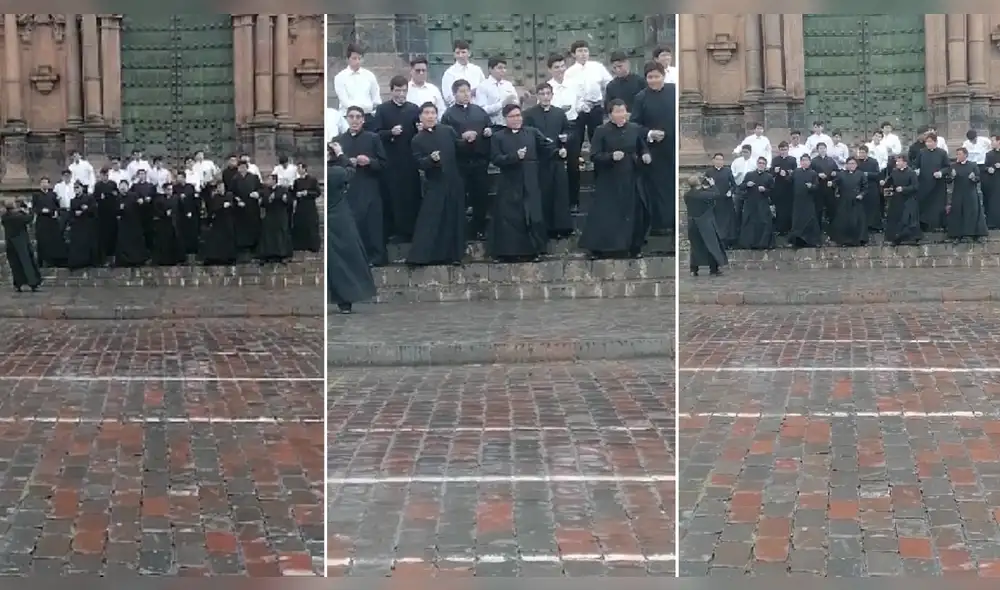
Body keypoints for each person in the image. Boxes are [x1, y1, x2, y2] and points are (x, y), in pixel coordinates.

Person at [578, 99, 650, 259]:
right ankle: (599, 248)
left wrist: (645, 155)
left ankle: (632, 246)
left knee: (631, 212)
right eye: (616, 111)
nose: (621, 115)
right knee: (606, 213)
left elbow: (641, 146)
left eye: (623, 111)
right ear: (610, 115)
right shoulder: (601, 131)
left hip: (630, 176)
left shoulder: (634, 129)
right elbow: (594, 155)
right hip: (609, 178)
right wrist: (611, 156)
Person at [488, 103, 559, 262]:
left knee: (532, 214)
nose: (516, 119)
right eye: (512, 116)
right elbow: (495, 159)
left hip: (530, 179)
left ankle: (535, 250)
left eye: (519, 115)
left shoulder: (532, 132)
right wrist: (514, 157)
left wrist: (558, 150)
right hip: (509, 181)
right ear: (505, 118)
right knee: (509, 217)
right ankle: (507, 252)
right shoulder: (498, 137)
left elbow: (546, 147)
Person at [408, 102, 468, 266]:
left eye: (433, 113)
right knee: (431, 219)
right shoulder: (417, 139)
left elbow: (458, 147)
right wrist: (430, 160)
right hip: (435, 183)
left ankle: (454, 255)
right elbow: (419, 162)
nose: (430, 116)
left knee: (453, 218)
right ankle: (424, 256)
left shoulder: (447, 130)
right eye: (426, 113)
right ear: (421, 117)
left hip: (453, 180)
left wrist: (468, 140)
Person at [332, 106, 388, 266]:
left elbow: (384, 164)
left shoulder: (373, 138)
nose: (355, 120)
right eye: (351, 117)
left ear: (363, 119)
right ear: (346, 119)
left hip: (369, 185)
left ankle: (377, 256)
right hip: (349, 188)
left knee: (372, 223)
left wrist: (369, 161)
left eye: (358, 117)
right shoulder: (339, 141)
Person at [371, 75, 422, 243]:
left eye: (404, 90)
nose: (401, 93)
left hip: (409, 159)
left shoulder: (414, 109)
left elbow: (418, 133)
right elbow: (376, 133)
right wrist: (390, 133)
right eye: (398, 90)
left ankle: (410, 230)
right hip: (391, 159)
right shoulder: (383, 110)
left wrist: (420, 129)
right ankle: (393, 230)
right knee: (392, 195)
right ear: (391, 91)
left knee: (410, 195)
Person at [441, 79, 493, 239]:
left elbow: (488, 126)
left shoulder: (479, 111)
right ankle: (460, 229)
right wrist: (461, 138)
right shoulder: (449, 114)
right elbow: (445, 137)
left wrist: (488, 131)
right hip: (460, 162)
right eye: (462, 91)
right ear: (454, 94)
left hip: (479, 160)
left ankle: (480, 227)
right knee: (460, 196)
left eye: (467, 91)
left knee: (480, 195)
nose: (465, 94)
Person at [523, 83, 574, 239]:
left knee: (560, 193)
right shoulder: (530, 114)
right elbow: (527, 134)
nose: (545, 97)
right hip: (540, 160)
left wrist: (565, 141)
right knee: (544, 193)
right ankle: (545, 227)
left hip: (557, 158)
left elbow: (567, 130)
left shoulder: (559, 113)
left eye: (548, 93)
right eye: (542, 94)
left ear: (552, 95)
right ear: (537, 96)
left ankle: (561, 227)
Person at [631, 61, 676, 236]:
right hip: (653, 149)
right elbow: (635, 124)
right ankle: (660, 224)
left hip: (673, 147)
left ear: (663, 76)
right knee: (658, 187)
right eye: (650, 77)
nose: (653, 80)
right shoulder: (641, 97)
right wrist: (649, 133)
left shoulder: (673, 91)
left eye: (656, 76)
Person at [328, 157, 376, 314]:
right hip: (341, 221)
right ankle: (347, 298)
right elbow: (350, 171)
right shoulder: (335, 172)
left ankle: (341, 300)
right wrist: (342, 155)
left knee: (335, 263)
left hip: (333, 221)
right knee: (347, 260)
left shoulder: (331, 172)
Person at [545, 53, 584, 210]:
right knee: (555, 164)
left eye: (562, 66)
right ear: (550, 70)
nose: (560, 70)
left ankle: (574, 200)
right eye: (556, 67)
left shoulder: (573, 84)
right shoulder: (547, 88)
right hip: (554, 126)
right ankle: (557, 201)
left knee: (573, 164)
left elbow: (580, 101)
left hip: (572, 125)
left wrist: (580, 107)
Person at [565, 40, 612, 142]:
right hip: (579, 110)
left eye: (585, 51)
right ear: (574, 54)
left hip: (596, 107)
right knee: (577, 136)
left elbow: (609, 83)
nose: (583, 54)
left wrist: (605, 99)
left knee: (596, 136)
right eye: (580, 51)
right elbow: (569, 92)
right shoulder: (569, 72)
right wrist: (581, 104)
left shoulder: (597, 67)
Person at [684, 175, 726, 277]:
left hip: (693, 223)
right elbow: (716, 194)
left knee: (695, 247)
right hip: (705, 223)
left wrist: (704, 188)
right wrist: (713, 185)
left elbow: (700, 193)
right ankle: (714, 269)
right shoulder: (701, 195)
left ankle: (694, 269)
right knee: (711, 245)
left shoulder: (687, 195)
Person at [334, 43, 381, 128]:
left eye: (360, 58)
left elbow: (376, 98)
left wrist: (372, 111)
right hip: (348, 118)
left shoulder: (369, 75)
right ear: (348, 59)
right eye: (354, 58)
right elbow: (345, 102)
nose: (358, 61)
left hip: (368, 118)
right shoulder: (340, 77)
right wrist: (364, 108)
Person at [946, 147, 988, 242]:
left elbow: (978, 178)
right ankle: (957, 234)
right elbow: (948, 180)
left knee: (970, 213)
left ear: (965, 155)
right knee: (957, 213)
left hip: (970, 192)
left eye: (960, 154)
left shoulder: (972, 165)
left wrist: (973, 178)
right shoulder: (953, 166)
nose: (958, 156)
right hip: (958, 192)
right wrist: (952, 176)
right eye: (957, 154)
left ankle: (970, 234)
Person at [736, 156, 775, 249]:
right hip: (750, 202)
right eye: (759, 163)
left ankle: (762, 243)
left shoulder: (769, 177)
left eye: (763, 163)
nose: (761, 165)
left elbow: (773, 191)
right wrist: (747, 184)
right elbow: (741, 186)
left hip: (762, 203)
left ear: (765, 166)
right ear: (757, 164)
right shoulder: (749, 175)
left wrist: (765, 190)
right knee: (749, 222)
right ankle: (748, 243)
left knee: (763, 222)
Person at [2, 202, 41, 292]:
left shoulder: (5, 217)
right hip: (20, 241)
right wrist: (29, 210)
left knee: (15, 264)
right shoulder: (17, 217)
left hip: (10, 242)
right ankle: (32, 282)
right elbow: (29, 218)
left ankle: (18, 284)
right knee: (26, 262)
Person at [829, 157, 868, 246]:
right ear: (846, 165)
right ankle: (844, 240)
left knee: (857, 220)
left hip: (856, 200)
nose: (851, 165)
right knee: (843, 220)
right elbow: (836, 182)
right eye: (849, 164)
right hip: (844, 200)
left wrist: (861, 195)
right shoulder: (841, 174)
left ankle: (859, 239)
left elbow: (865, 187)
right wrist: (832, 184)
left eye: (853, 163)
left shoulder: (860, 174)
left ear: (856, 165)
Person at [883, 155, 921, 246]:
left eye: (899, 161)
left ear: (905, 162)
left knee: (907, 219)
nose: (897, 163)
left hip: (908, 200)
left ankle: (910, 239)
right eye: (897, 161)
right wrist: (884, 184)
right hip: (896, 199)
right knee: (895, 219)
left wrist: (904, 189)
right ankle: (895, 238)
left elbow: (915, 187)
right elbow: (889, 183)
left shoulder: (911, 173)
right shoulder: (894, 172)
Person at [915, 133, 950, 231]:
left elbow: (947, 167)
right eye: (927, 142)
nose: (928, 144)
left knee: (938, 205)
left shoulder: (942, 153)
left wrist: (941, 172)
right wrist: (916, 170)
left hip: (938, 184)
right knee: (925, 205)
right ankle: (925, 225)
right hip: (924, 183)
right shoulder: (922, 152)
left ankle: (938, 225)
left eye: (930, 142)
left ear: (935, 142)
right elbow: (916, 165)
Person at [257, 174, 294, 263]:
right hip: (270, 215)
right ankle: (269, 254)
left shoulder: (282, 189)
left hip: (280, 215)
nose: (267, 182)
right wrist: (269, 199)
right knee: (268, 235)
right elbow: (262, 203)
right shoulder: (265, 191)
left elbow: (289, 201)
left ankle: (282, 254)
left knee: (281, 234)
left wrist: (285, 199)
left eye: (269, 180)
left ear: (274, 181)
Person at [787, 154, 823, 248]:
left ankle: (812, 241)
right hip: (798, 201)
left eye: (806, 160)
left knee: (810, 219)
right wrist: (786, 175)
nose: (804, 162)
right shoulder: (796, 171)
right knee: (797, 221)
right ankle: (796, 241)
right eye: (803, 160)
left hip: (808, 200)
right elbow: (789, 182)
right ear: (800, 162)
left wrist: (811, 186)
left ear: (809, 162)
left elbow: (817, 187)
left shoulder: (813, 173)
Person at [475, 56, 520, 129]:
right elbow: (482, 110)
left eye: (504, 68)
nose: (503, 70)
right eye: (499, 68)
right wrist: (501, 104)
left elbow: (516, 103)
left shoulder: (508, 85)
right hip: (493, 126)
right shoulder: (483, 86)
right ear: (490, 69)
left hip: (510, 125)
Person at [31, 177, 66, 268]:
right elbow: (34, 208)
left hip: (51, 221)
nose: (44, 184)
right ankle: (41, 261)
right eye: (42, 182)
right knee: (42, 241)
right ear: (40, 184)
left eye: (46, 182)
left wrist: (56, 212)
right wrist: (41, 210)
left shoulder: (53, 195)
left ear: (49, 184)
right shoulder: (36, 195)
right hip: (42, 221)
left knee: (53, 240)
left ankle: (53, 260)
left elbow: (57, 206)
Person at [200, 181, 238, 265]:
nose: (221, 189)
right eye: (220, 187)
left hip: (228, 220)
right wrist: (222, 206)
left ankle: (230, 257)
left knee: (229, 238)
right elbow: (213, 208)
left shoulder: (229, 195)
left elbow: (233, 206)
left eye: (222, 187)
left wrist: (230, 205)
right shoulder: (216, 197)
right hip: (219, 221)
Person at [705, 153, 738, 247]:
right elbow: (704, 186)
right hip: (714, 202)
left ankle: (727, 242)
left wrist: (730, 192)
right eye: (717, 159)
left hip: (726, 201)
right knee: (716, 221)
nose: (719, 161)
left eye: (721, 160)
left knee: (727, 222)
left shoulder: (727, 171)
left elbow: (734, 185)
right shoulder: (709, 172)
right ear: (713, 160)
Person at [232, 160, 263, 259]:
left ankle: (254, 245)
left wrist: (257, 193)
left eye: (244, 167)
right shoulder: (235, 179)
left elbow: (261, 189)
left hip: (252, 205)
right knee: (241, 226)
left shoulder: (254, 177)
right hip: (240, 206)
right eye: (240, 167)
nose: (242, 169)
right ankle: (242, 245)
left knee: (253, 224)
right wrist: (237, 200)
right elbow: (232, 192)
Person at [114, 180, 150, 267]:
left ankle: (139, 260)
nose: (123, 189)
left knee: (137, 241)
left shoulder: (134, 195)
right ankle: (124, 261)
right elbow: (115, 212)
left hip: (134, 222)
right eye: (121, 187)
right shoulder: (117, 198)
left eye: (124, 186)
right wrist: (120, 209)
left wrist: (142, 203)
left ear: (128, 187)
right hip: (124, 224)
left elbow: (143, 207)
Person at [441, 39, 485, 107]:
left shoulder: (477, 70)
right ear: (454, 54)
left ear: (469, 53)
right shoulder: (449, 73)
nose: (460, 55)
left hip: (476, 107)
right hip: (458, 109)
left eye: (463, 52)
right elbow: (448, 97)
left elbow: (484, 89)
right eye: (458, 53)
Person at [66, 182, 100, 270]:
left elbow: (94, 209)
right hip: (78, 225)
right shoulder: (73, 200)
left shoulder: (89, 197)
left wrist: (86, 209)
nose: (76, 189)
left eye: (78, 187)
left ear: (82, 188)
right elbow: (71, 213)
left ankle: (91, 261)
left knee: (89, 243)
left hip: (88, 224)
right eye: (75, 188)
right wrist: (74, 216)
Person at [150, 183, 185, 266]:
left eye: (171, 189)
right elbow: (156, 210)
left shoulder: (176, 198)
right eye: (168, 189)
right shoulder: (159, 199)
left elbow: (181, 209)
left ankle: (177, 259)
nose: (170, 191)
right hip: (164, 224)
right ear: (164, 190)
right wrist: (164, 213)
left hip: (174, 223)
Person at [291, 163, 322, 252]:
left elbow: (317, 192)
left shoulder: (312, 180)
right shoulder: (297, 181)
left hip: (309, 205)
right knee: (300, 224)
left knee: (311, 225)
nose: (298, 170)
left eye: (300, 168)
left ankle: (312, 245)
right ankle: (300, 244)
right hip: (300, 206)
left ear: (304, 169)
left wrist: (307, 193)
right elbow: (294, 193)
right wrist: (295, 194)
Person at [769, 142, 797, 234]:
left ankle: (789, 228)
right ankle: (780, 229)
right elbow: (771, 174)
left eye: (785, 149)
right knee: (779, 209)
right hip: (778, 187)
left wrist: (788, 173)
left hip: (789, 187)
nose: (783, 151)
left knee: (789, 208)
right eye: (781, 149)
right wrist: (775, 171)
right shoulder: (775, 160)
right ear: (779, 150)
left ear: (788, 149)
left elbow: (795, 173)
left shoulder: (792, 160)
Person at [93, 168, 119, 264]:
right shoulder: (98, 185)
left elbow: (117, 195)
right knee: (103, 235)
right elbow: (95, 198)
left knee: (113, 234)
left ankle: (112, 256)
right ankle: (103, 257)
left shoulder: (113, 184)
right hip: (102, 214)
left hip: (112, 213)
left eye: (106, 175)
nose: (104, 177)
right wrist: (100, 197)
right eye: (103, 175)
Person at [855, 144, 883, 232]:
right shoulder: (857, 162)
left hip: (872, 187)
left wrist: (867, 174)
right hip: (861, 187)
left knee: (873, 207)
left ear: (867, 153)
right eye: (860, 152)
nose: (861, 154)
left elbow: (878, 174)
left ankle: (874, 226)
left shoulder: (873, 162)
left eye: (863, 153)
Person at [809, 142, 838, 226]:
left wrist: (834, 175)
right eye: (820, 148)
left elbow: (837, 172)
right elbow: (810, 173)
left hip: (829, 187)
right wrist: (818, 175)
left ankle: (832, 225)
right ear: (817, 150)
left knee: (831, 207)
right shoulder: (814, 161)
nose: (822, 150)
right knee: (818, 208)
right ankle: (818, 226)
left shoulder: (831, 160)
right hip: (819, 187)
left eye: (824, 148)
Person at [985, 135, 1000, 229]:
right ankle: (994, 223)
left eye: (993, 141)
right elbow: (984, 166)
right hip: (994, 181)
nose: (991, 143)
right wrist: (988, 169)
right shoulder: (989, 154)